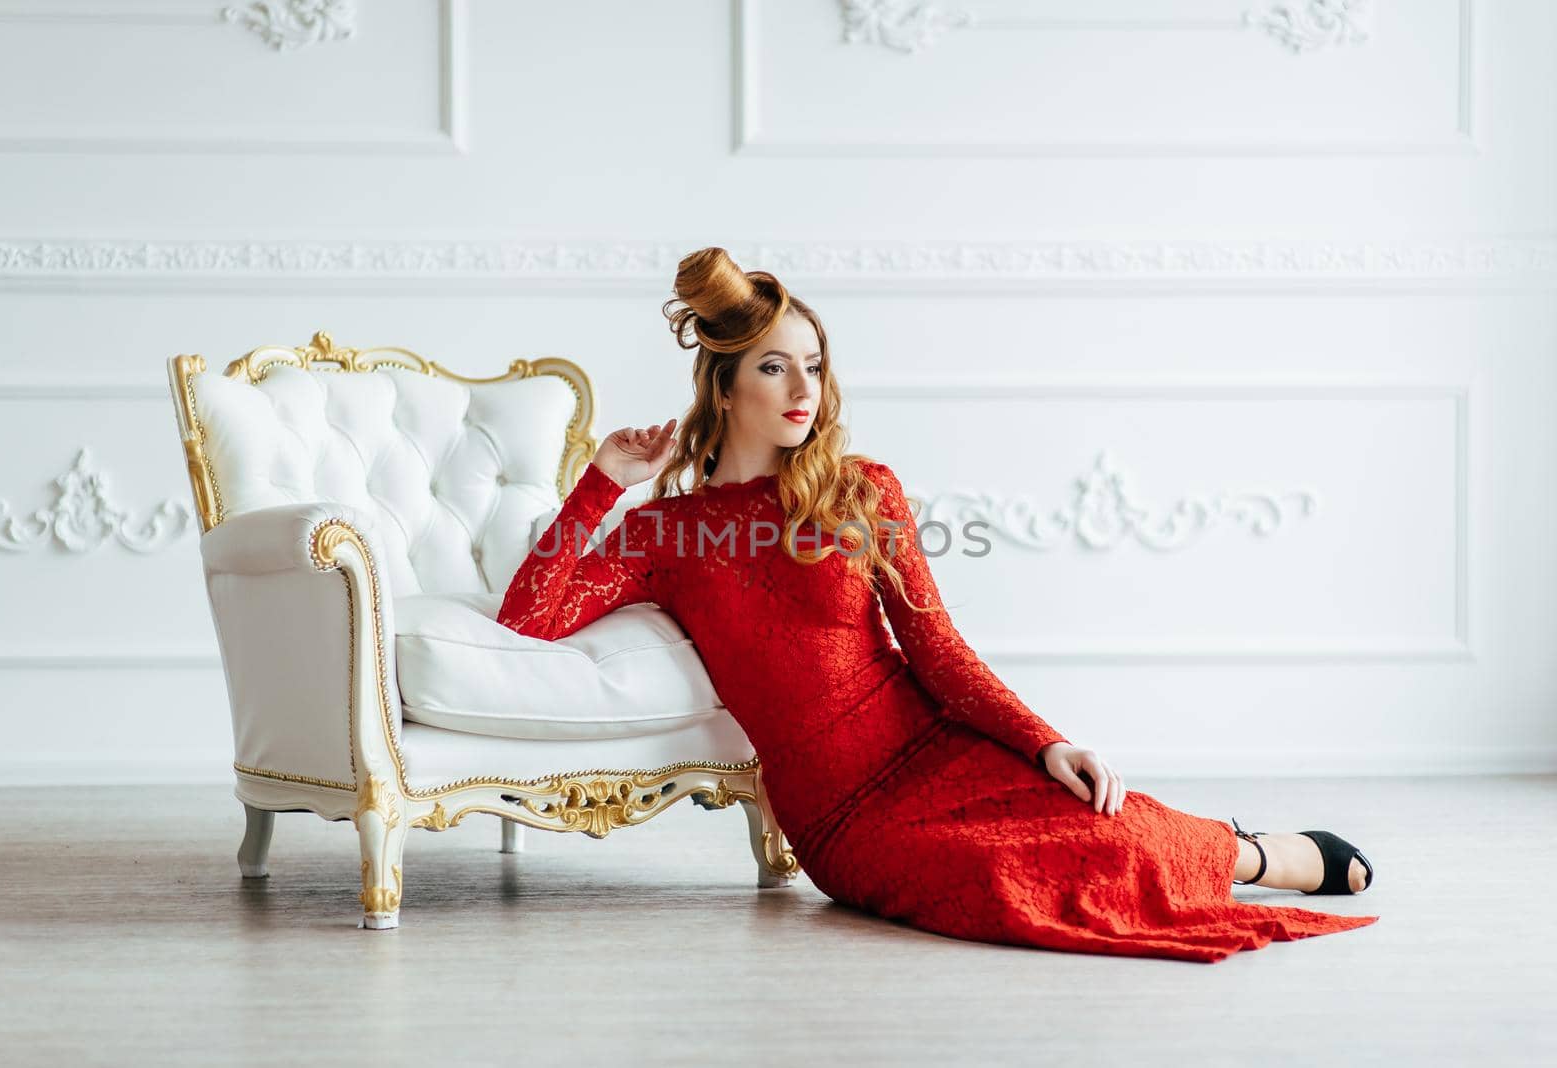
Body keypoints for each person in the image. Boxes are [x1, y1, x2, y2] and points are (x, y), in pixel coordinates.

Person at [495, 246, 1378, 964]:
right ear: (725, 388)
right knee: (1003, 884)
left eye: (813, 364)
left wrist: (1045, 739)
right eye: (774, 367)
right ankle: (1238, 856)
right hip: (843, 818)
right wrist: (601, 483)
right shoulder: (670, 533)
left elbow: (939, 651)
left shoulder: (862, 492)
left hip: (932, 746)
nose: (803, 388)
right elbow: (526, 620)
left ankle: (1255, 854)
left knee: (1107, 826)